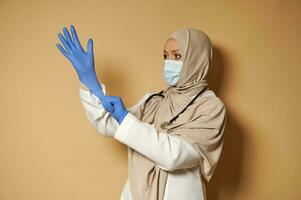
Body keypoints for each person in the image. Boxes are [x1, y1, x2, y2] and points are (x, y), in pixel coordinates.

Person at [56, 25, 227, 200]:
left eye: (177, 56)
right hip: (138, 192)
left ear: (197, 59)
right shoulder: (155, 100)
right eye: (165, 56)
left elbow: (174, 156)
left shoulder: (210, 107)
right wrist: (90, 81)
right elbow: (110, 126)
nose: (169, 62)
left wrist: (125, 118)